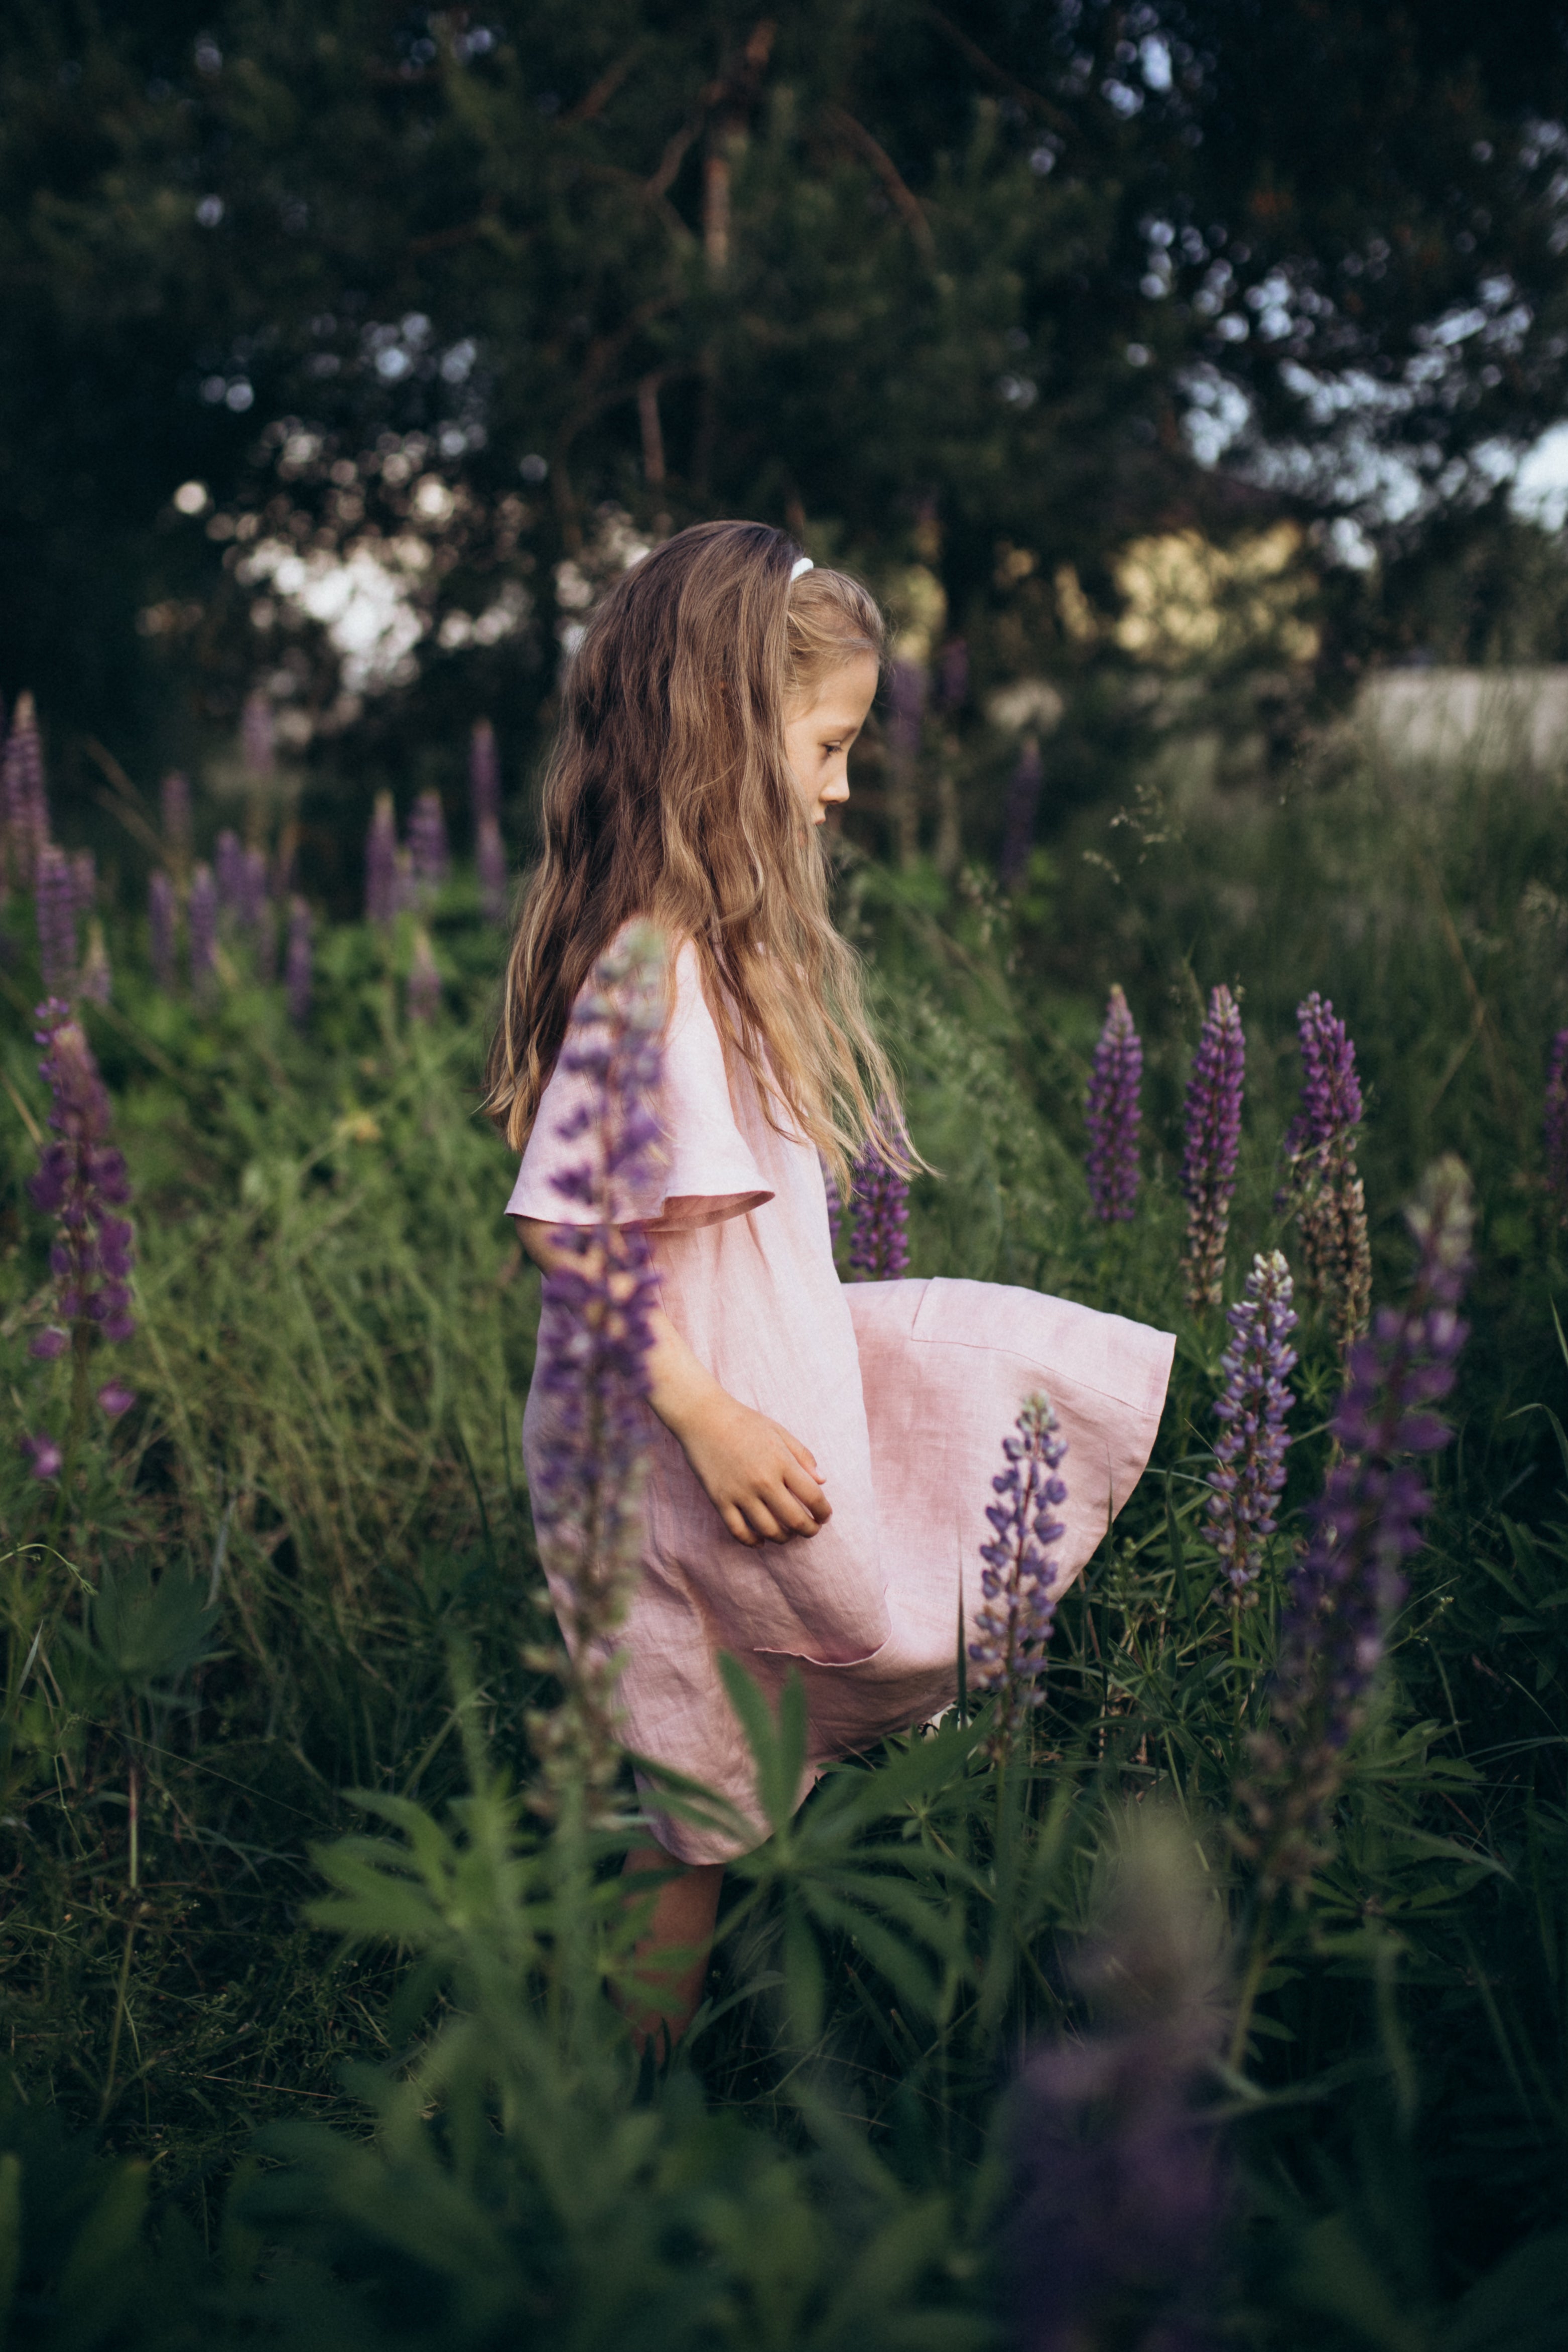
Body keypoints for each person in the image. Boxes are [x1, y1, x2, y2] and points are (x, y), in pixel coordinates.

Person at [486, 520, 1174, 2048]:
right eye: (827, 744)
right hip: (666, 1442)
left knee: (979, 1391)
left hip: (730, 1389)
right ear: (725, 736)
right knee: (691, 1802)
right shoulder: (643, 966)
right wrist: (710, 1416)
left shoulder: (701, 954)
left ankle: (631, 2024)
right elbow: (562, 1230)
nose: (844, 784)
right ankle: (615, 2090)